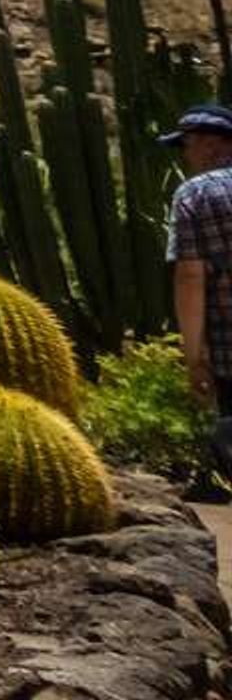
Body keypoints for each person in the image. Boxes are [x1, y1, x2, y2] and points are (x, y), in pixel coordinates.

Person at [164, 102, 232, 488]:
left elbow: (190, 276)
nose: (186, 156)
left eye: (186, 145)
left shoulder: (195, 195)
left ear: (210, 145)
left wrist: (194, 357)